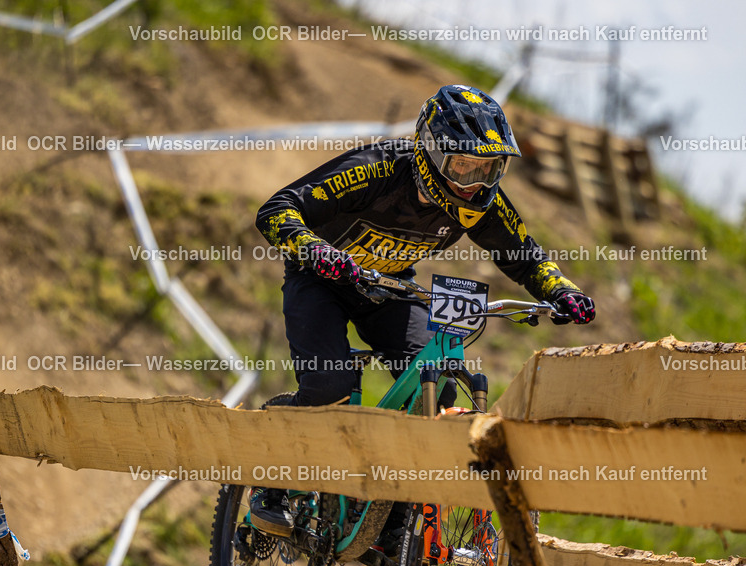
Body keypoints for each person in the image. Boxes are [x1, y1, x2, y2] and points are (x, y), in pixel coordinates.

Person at [250, 84, 595, 538]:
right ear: (430, 153)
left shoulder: (483, 206)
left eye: (488, 169)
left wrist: (563, 290)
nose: (473, 183)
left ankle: (390, 522)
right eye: (463, 165)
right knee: (330, 384)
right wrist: (313, 248)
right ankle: (271, 486)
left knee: (438, 391)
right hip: (321, 280)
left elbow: (526, 257)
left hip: (390, 288)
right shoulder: (376, 169)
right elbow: (278, 208)